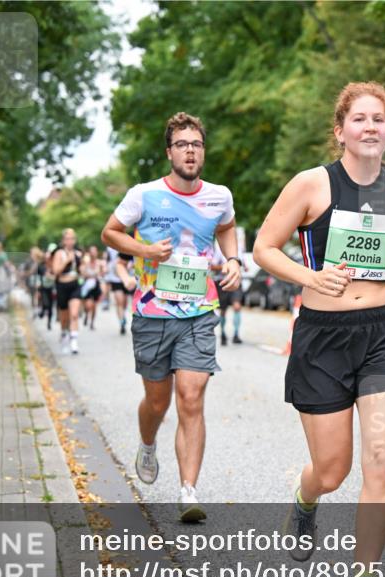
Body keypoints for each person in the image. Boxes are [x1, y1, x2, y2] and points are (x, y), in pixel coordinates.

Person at [253, 81, 385, 577]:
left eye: (378, 118)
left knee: (382, 459)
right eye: (359, 118)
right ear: (340, 131)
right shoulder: (311, 184)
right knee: (332, 470)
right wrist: (311, 276)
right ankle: (306, 499)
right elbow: (264, 248)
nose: (370, 126)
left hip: (384, 334)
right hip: (323, 337)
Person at [102, 112, 241, 523]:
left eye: (196, 144)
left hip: (199, 311)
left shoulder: (219, 196)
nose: (190, 151)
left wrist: (232, 259)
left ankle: (188, 490)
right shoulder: (143, 195)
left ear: (203, 151)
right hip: (152, 312)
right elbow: (110, 233)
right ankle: (148, 444)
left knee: (191, 398)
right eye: (182, 145)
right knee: (158, 401)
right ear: (169, 153)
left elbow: (227, 227)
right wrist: (144, 251)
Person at [52, 229, 84, 354]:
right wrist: (66, 261)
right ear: (63, 241)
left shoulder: (78, 254)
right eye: (67, 239)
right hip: (62, 286)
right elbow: (56, 271)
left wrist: (82, 266)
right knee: (64, 318)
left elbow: (82, 270)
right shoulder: (59, 253)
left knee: (74, 314)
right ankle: (64, 333)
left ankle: (74, 341)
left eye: (72, 238)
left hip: (75, 285)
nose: (70, 241)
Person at [213, 234, 245, 345]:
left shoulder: (239, 249)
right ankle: (223, 334)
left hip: (236, 281)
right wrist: (225, 266)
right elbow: (212, 266)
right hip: (222, 282)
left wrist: (243, 267)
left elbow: (243, 264)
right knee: (223, 310)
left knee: (237, 306)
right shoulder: (218, 248)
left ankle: (236, 334)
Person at [105, 245, 135, 334]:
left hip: (127, 278)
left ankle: (123, 315)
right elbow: (107, 261)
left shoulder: (127, 243)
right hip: (115, 279)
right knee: (119, 301)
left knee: (124, 302)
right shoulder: (109, 249)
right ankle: (121, 322)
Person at [80, 245, 104, 330]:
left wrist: (101, 271)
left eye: (94, 251)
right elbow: (82, 273)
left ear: (97, 253)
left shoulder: (99, 263)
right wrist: (89, 274)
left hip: (96, 286)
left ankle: (92, 323)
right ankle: (86, 314)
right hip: (87, 286)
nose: (93, 253)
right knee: (88, 305)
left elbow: (103, 273)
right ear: (89, 253)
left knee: (94, 306)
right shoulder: (85, 263)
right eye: (91, 252)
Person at [38, 243, 57, 330]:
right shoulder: (41, 266)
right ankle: (42, 311)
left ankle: (49, 323)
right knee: (46, 303)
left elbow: (55, 275)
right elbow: (40, 276)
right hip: (44, 287)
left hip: (52, 288)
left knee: (50, 307)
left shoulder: (54, 265)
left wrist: (52, 276)